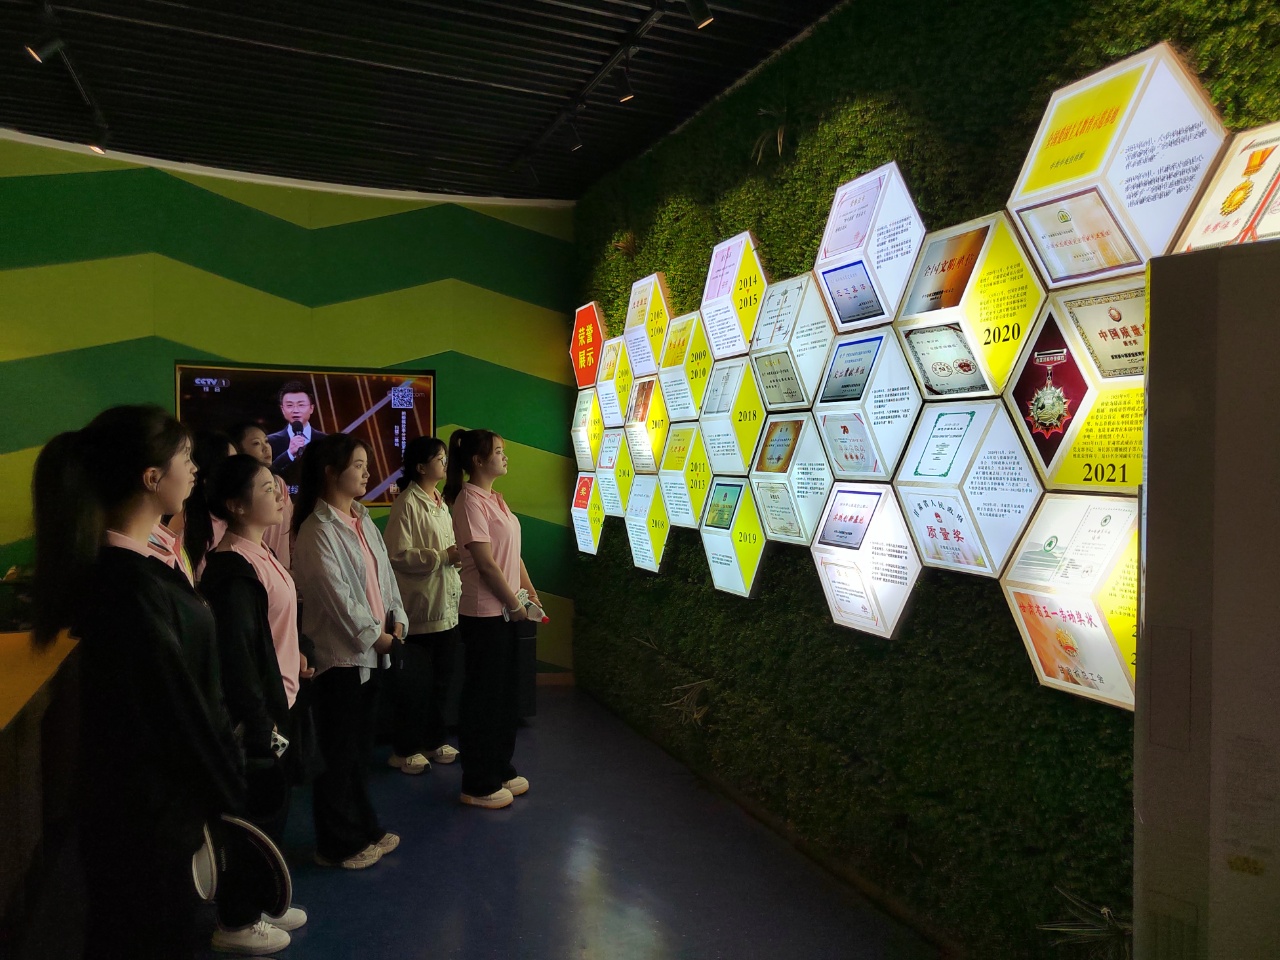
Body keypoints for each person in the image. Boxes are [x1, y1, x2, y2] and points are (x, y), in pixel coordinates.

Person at [28, 405, 274, 958]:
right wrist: (231, 788)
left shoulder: (143, 569)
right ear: (151, 477)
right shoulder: (127, 585)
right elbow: (177, 709)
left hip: (159, 807)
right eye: (186, 457)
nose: (196, 468)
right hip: (147, 814)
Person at [200, 454, 309, 944]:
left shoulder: (260, 553)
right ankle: (238, 919)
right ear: (235, 505)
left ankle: (264, 900)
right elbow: (239, 657)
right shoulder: (231, 568)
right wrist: (261, 722)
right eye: (266, 488)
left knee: (273, 809)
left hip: (281, 699)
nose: (278, 495)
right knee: (252, 815)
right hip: (260, 712)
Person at [291, 433, 405, 869]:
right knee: (337, 755)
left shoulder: (361, 518)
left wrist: (397, 619)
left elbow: (385, 577)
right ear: (330, 472)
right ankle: (336, 844)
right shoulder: (316, 530)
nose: (366, 473)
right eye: (358, 465)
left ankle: (364, 826)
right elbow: (337, 597)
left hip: (373, 654)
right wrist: (377, 637)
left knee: (359, 752)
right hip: (339, 659)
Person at [444, 429, 541, 810]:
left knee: (504, 697)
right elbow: (485, 564)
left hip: (508, 610)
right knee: (483, 699)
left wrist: (529, 592)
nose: (504, 457)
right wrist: (513, 604)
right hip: (485, 614)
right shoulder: (469, 500)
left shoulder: (496, 499)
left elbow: (512, 556)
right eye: (498, 451)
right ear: (477, 461)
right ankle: (477, 782)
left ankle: (500, 767)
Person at [383, 436, 462, 775]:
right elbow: (397, 554)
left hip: (446, 604)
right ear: (420, 466)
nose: (445, 463)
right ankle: (404, 750)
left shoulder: (440, 502)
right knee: (415, 685)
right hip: (420, 608)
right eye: (438, 458)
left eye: (444, 457)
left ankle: (434, 740)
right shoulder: (407, 503)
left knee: (441, 683)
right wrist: (441, 557)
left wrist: (453, 558)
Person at [229, 421, 294, 568]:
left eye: (266, 441)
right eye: (256, 443)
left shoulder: (279, 483)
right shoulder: (239, 493)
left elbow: (290, 530)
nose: (266, 448)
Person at [266, 381, 326, 488]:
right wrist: (289, 453)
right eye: (289, 405)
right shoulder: (270, 442)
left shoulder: (325, 441)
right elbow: (265, 474)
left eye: (301, 405)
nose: (295, 410)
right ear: (282, 409)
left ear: (311, 408)